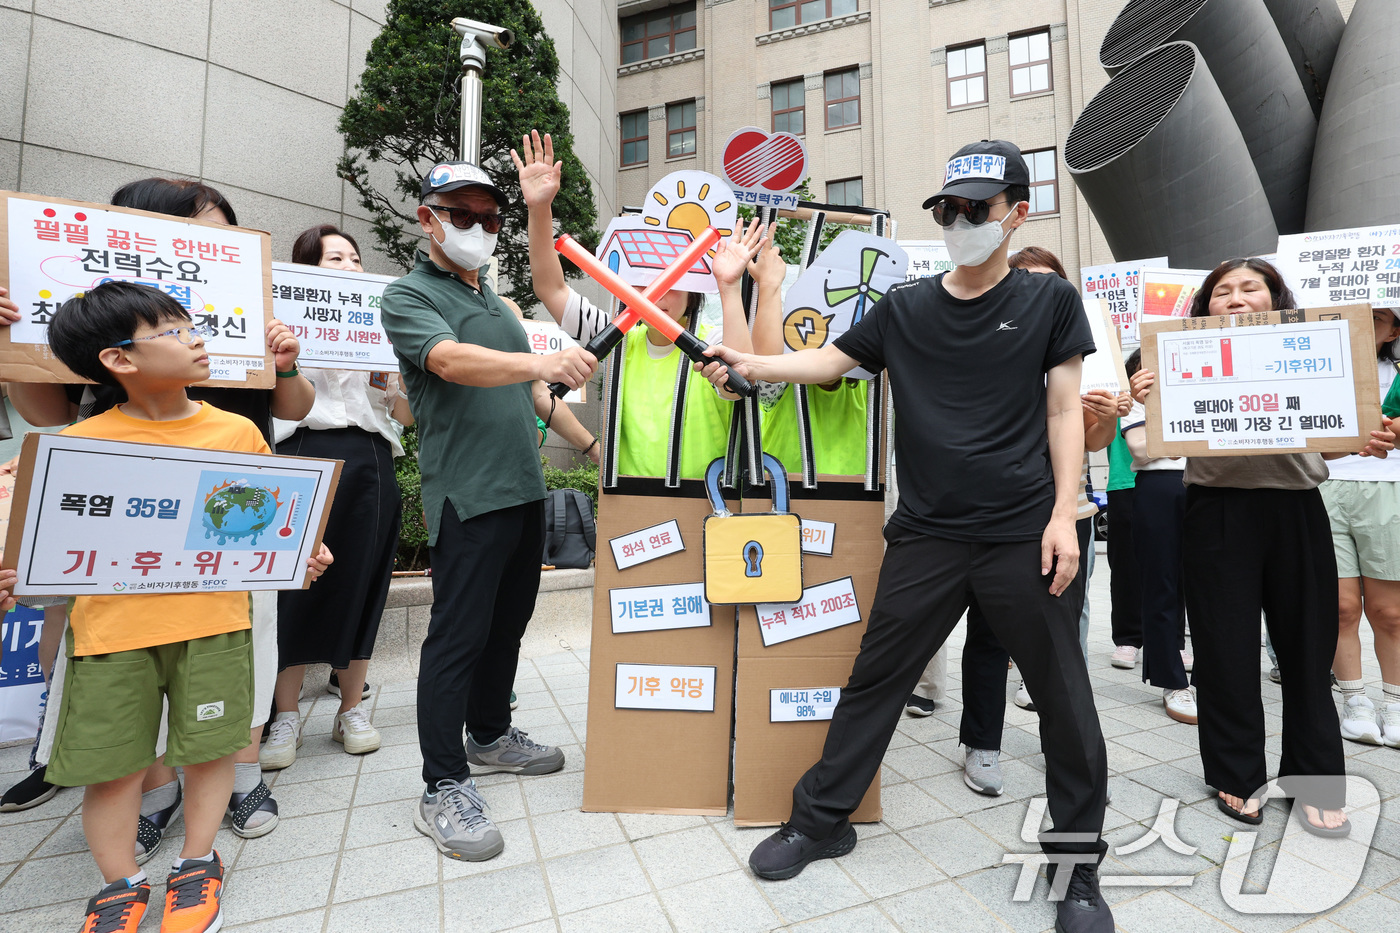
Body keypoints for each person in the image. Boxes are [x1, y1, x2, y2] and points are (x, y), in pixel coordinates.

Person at [701, 140, 1113, 933]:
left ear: (1015, 213)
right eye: (947, 209)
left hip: (1023, 531)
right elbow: (826, 364)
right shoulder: (907, 307)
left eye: (976, 209)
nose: (959, 221)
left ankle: (1077, 866)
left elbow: (1065, 412)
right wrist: (750, 360)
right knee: (875, 681)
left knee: (1065, 700)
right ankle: (819, 819)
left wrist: (1065, 513)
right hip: (926, 534)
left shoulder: (1048, 302)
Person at [2, 178, 316, 848]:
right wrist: (12, 344)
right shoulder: (112, 320)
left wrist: (286, 363)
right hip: (124, 503)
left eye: (228, 233)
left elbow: (294, 408)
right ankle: (155, 787)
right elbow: (47, 412)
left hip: (227, 496)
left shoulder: (243, 312)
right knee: (121, 647)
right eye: (204, 232)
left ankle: (239, 771)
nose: (220, 246)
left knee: (241, 636)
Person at [39, 281, 330, 933]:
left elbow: (273, 525)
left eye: (189, 324)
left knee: (210, 751)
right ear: (118, 360)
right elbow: (48, 546)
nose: (195, 337)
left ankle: (197, 863)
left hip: (217, 627)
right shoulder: (83, 443)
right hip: (109, 635)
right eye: (171, 331)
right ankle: (120, 885)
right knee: (113, 769)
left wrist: (303, 549)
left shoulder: (238, 433)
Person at [380, 158, 596, 862]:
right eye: (461, 214)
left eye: (488, 218)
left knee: (506, 629)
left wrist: (593, 448)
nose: (476, 228)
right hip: (468, 496)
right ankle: (443, 782)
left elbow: (534, 395)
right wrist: (541, 364)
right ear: (428, 218)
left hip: (523, 492)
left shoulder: (498, 305)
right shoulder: (409, 295)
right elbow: (449, 363)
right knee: (457, 639)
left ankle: (492, 733)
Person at [1131, 258, 1394, 836]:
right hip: (1215, 512)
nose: (1236, 298)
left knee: (1307, 648)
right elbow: (1146, 440)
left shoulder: (1317, 350)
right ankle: (1236, 771)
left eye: (1251, 288)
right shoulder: (1175, 358)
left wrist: (1368, 438)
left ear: (1276, 299)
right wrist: (1142, 396)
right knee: (1224, 650)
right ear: (1205, 308)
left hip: (1296, 508)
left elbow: (1344, 433)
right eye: (1222, 291)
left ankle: (1316, 778)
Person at [955, 246, 1127, 798]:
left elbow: (1093, 441)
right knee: (986, 635)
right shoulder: (983, 346)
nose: (1035, 295)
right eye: (1022, 283)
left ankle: (1067, 752)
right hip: (998, 518)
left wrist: (1101, 415)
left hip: (1066, 516)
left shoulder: (1074, 349)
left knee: (1063, 643)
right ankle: (982, 741)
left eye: (1049, 285)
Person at [514, 130, 763, 478]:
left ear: (694, 292)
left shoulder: (714, 343)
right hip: (627, 508)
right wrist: (539, 208)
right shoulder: (616, 338)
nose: (658, 292)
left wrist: (729, 285)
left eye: (675, 281)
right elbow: (551, 289)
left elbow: (741, 382)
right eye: (645, 278)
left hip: (705, 506)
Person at [261, 225, 413, 770]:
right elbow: (278, 406)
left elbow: (404, 417)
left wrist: (399, 377)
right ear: (305, 270)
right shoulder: (281, 322)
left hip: (372, 458)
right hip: (302, 450)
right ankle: (283, 717)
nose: (348, 266)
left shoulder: (384, 328)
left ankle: (351, 710)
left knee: (362, 581)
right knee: (292, 586)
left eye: (354, 258)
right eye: (334, 258)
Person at [1324, 307, 1400, 746]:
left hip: (1388, 487)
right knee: (1340, 607)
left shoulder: (1399, 372)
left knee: (1390, 612)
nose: (1363, 323)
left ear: (1393, 331)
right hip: (1323, 487)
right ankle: (1354, 700)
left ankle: (1394, 700)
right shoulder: (1314, 366)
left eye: (1377, 318)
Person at [1122, 352, 1196, 724]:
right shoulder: (1136, 402)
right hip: (1159, 488)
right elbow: (1141, 449)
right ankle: (1171, 680)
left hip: (1210, 486)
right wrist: (1197, 437)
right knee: (1161, 583)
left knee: (1210, 585)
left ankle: (1212, 676)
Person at [1105, 353, 1144, 669]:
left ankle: (1174, 639)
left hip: (1173, 482)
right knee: (1126, 567)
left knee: (1175, 566)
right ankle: (1128, 639)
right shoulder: (1119, 398)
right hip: (1123, 485)